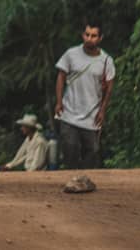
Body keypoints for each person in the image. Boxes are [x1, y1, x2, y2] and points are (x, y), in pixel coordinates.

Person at [54, 19, 115, 169]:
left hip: (92, 115)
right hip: (69, 112)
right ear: (82, 35)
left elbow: (109, 87)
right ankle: (72, 178)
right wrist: (59, 101)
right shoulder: (71, 54)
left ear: (100, 38)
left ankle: (86, 181)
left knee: (92, 151)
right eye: (87, 34)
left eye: (93, 36)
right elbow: (61, 77)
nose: (89, 38)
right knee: (70, 148)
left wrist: (102, 110)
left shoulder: (106, 61)